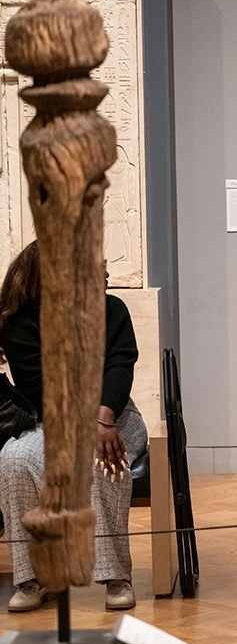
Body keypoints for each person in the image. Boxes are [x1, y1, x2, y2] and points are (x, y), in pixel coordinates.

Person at [0, 242, 147, 611]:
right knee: (14, 459)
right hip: (52, 420)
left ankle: (116, 576)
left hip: (112, 415)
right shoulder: (21, 324)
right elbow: (41, 386)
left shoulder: (112, 310)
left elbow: (120, 366)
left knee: (99, 454)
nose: (106, 273)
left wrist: (103, 417)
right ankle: (33, 577)